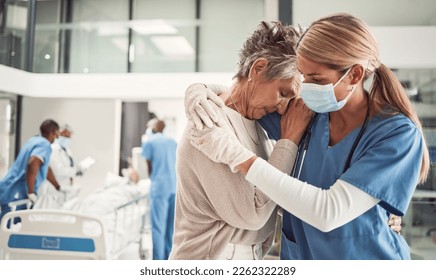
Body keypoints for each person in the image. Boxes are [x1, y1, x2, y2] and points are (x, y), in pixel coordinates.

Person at [188, 13, 430, 260]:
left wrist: (238, 157)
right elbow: (243, 99)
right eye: (303, 75)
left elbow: (329, 212)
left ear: (355, 75)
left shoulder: (396, 134)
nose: (305, 86)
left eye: (316, 79)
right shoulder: (306, 114)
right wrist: (200, 92)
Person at [170, 21, 312, 260]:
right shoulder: (209, 121)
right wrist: (289, 141)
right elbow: (253, 213)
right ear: (257, 69)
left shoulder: (259, 124)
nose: (282, 107)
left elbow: (275, 198)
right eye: (283, 93)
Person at [0, 119, 64, 222]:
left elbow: (45, 168)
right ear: (53, 131)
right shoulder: (45, 145)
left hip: (7, 187)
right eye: (57, 133)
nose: (57, 137)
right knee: (9, 229)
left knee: (6, 226)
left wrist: (58, 187)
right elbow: (33, 163)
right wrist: (30, 192)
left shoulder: (33, 140)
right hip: (16, 191)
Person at [141, 118, 177, 260]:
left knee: (157, 228)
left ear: (154, 128)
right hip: (174, 187)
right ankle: (169, 261)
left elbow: (149, 167)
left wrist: (153, 177)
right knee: (170, 229)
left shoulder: (150, 142)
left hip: (159, 188)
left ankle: (158, 265)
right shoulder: (173, 142)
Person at [38, 124, 82, 207]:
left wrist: (78, 169)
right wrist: (75, 171)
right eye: (65, 136)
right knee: (53, 212)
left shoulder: (66, 150)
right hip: (54, 188)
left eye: (69, 137)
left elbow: (70, 166)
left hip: (64, 187)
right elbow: (58, 170)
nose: (67, 139)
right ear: (59, 134)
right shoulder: (53, 149)